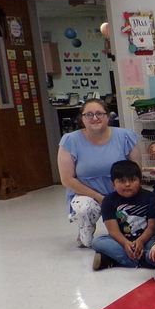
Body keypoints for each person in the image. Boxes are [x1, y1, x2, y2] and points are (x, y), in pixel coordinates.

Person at [57, 98, 141, 248]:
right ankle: (85, 229)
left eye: (99, 114)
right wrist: (99, 198)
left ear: (108, 116)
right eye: (89, 114)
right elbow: (67, 179)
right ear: (82, 118)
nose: (94, 118)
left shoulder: (126, 136)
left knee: (131, 234)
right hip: (87, 195)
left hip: (121, 193)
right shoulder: (69, 140)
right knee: (85, 210)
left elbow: (136, 173)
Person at [91, 160, 155, 270]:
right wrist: (126, 244)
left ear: (140, 181)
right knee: (97, 241)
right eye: (121, 181)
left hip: (146, 240)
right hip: (121, 242)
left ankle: (113, 260)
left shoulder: (151, 197)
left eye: (132, 180)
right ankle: (144, 260)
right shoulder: (108, 201)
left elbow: (152, 227)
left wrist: (140, 241)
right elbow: (113, 231)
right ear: (113, 184)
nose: (127, 184)